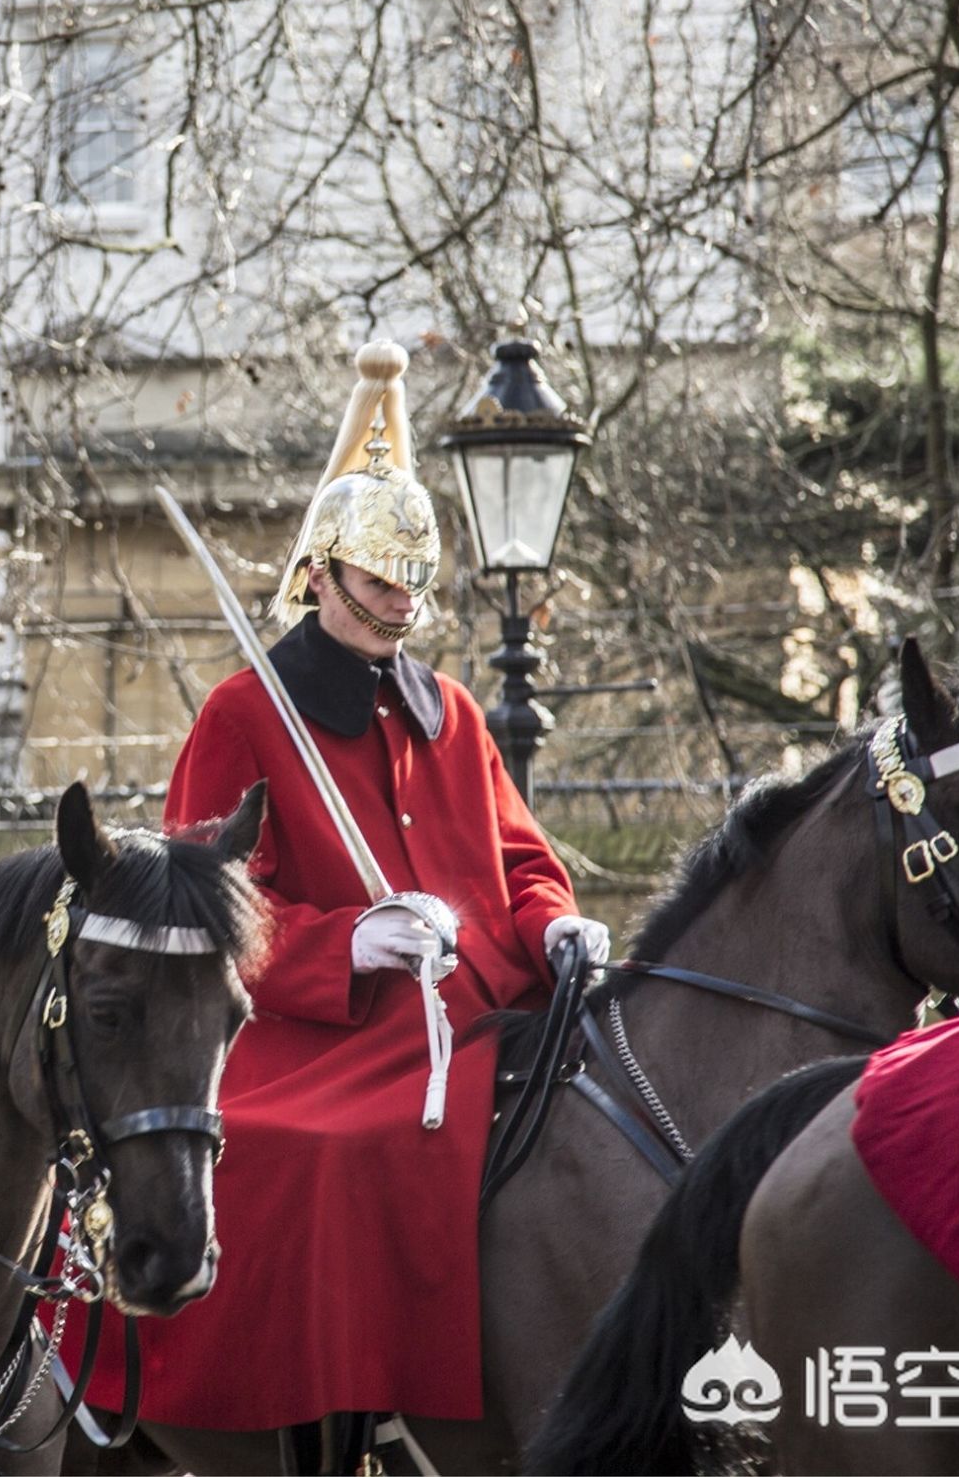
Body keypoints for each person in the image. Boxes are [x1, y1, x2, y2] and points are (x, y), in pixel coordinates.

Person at [92, 341, 613, 1435]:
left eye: (417, 584)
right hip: (326, 1034)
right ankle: (312, 1409)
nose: (403, 606)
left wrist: (558, 923)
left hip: (486, 1005)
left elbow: (520, 861)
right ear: (320, 573)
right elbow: (201, 915)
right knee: (326, 1153)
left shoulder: (457, 713)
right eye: (380, 582)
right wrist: (350, 944)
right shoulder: (244, 715)